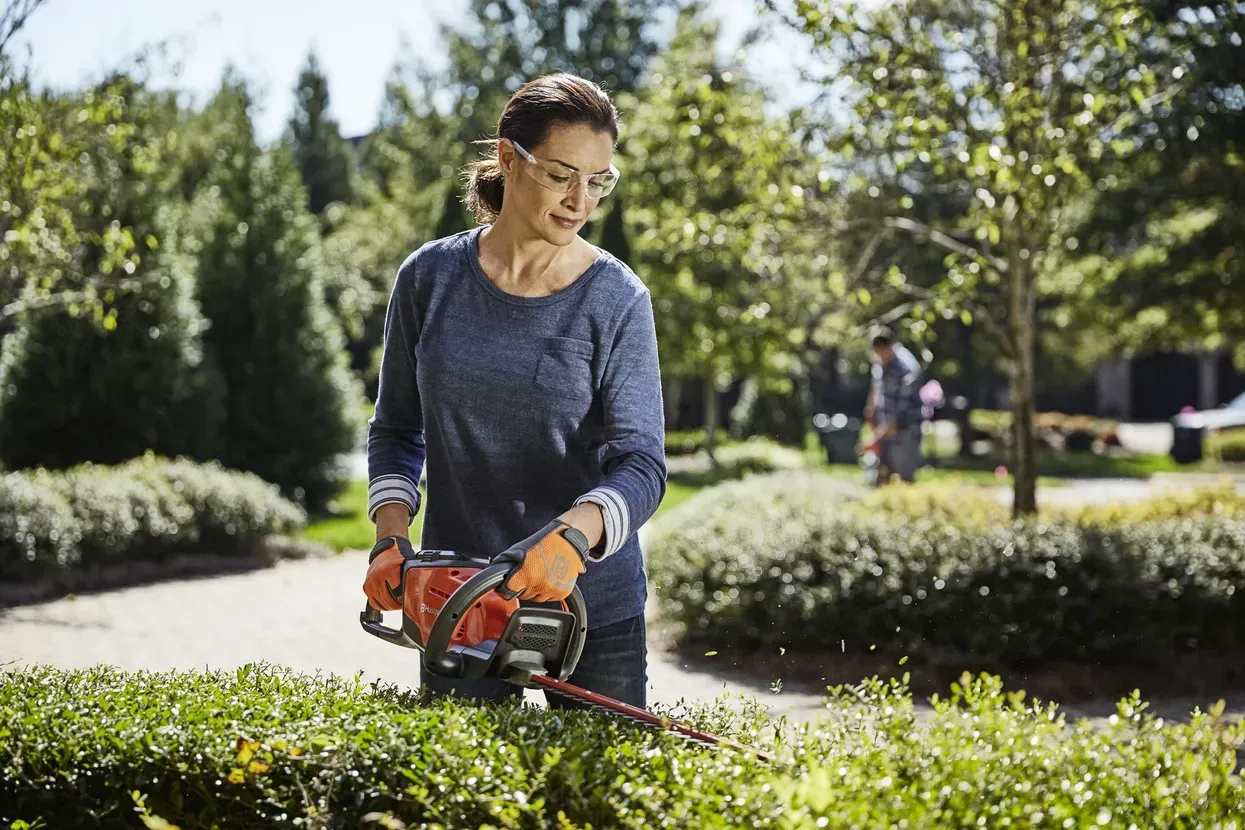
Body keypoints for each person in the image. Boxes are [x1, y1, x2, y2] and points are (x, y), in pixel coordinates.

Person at [360, 73, 666, 710]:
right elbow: (397, 430)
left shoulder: (617, 300)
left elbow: (642, 465)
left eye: (598, 181)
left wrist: (574, 536)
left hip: (590, 607)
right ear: (508, 157)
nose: (580, 199)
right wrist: (391, 535)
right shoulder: (429, 279)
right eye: (561, 174)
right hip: (461, 598)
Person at [864, 328, 925, 485]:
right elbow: (876, 391)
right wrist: (871, 413)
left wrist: (877, 436)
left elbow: (903, 411)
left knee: (904, 478)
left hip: (905, 431)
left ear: (892, 345)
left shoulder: (907, 368)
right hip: (884, 428)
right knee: (882, 477)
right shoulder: (879, 363)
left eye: (883, 349)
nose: (879, 354)